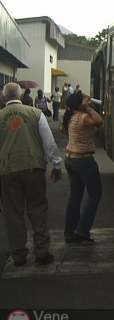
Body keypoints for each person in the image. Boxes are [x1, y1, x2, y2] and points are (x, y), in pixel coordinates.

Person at [0, 83, 62, 267]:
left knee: (13, 213)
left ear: (4, 97)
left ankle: (19, 255)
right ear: (20, 95)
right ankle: (41, 252)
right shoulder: (35, 114)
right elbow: (48, 141)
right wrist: (56, 164)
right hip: (33, 167)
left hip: (7, 170)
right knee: (37, 208)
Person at [61, 91, 103, 243]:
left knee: (75, 196)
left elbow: (64, 131)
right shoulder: (84, 117)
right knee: (95, 194)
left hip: (70, 159)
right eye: (86, 98)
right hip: (84, 160)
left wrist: (86, 105)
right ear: (80, 104)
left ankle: (70, 231)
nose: (89, 99)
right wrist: (90, 108)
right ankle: (82, 230)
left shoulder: (71, 116)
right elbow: (99, 121)